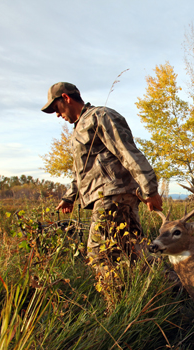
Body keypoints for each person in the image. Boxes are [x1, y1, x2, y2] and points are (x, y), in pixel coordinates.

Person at [41, 82, 163, 267]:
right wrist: (70, 197)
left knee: (99, 254)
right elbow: (83, 171)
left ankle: (112, 294)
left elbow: (127, 152)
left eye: (56, 108)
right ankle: (177, 288)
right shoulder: (79, 128)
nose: (57, 114)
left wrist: (150, 190)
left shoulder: (99, 116)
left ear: (66, 98)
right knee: (134, 252)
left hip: (113, 195)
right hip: (109, 195)